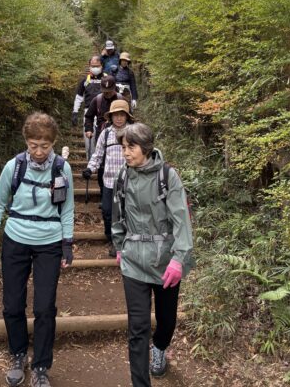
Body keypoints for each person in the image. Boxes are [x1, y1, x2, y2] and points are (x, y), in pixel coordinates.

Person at [0, 112, 74, 387]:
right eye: (33, 145)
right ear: (26, 141)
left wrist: (67, 243)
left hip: (49, 241)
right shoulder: (14, 167)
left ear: (53, 143)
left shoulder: (61, 169)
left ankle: (41, 366)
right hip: (16, 238)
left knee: (45, 307)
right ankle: (18, 353)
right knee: (12, 304)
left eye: (45, 146)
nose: (39, 151)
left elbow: (67, 208)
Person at [112, 123, 193, 387]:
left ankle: (159, 347)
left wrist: (179, 259)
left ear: (145, 148)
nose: (125, 152)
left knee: (166, 320)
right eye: (124, 147)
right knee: (137, 328)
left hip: (165, 260)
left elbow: (181, 220)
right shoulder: (123, 176)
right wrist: (119, 247)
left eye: (131, 147)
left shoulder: (167, 176)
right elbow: (117, 214)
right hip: (134, 260)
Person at [82, 100, 133, 256]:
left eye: (122, 115)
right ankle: (112, 239)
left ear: (127, 116)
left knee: (127, 212)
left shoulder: (133, 133)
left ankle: (126, 241)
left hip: (129, 181)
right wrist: (90, 168)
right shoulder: (105, 133)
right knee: (107, 211)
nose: (119, 118)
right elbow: (97, 155)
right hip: (109, 181)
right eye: (116, 115)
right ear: (111, 117)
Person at [84, 76, 124, 202]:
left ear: (114, 88)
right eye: (105, 91)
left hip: (121, 134)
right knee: (101, 164)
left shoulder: (121, 99)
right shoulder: (98, 99)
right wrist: (88, 129)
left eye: (109, 91)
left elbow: (129, 116)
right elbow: (89, 116)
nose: (107, 93)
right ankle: (104, 193)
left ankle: (120, 193)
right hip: (102, 134)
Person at [71, 55, 107, 159]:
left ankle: (102, 162)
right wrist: (75, 112)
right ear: (89, 66)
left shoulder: (107, 79)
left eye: (97, 66)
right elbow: (79, 97)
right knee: (88, 140)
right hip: (88, 113)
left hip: (104, 113)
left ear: (102, 65)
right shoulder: (85, 80)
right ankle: (90, 162)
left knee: (103, 139)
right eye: (93, 66)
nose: (95, 68)